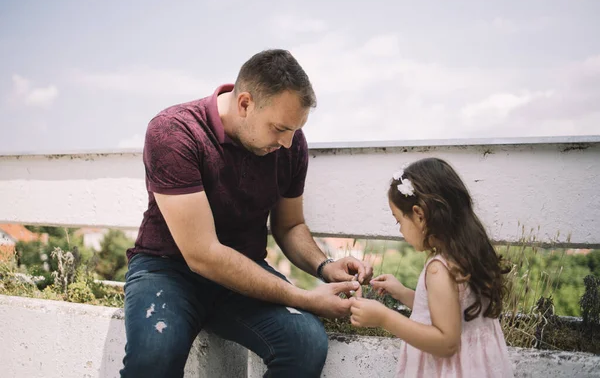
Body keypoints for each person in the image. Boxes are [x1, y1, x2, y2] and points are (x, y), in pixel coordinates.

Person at [121, 49, 373, 378]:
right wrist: (306, 298)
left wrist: (324, 266)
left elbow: (290, 224)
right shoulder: (174, 132)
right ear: (244, 104)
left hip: (245, 274)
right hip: (168, 271)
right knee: (154, 358)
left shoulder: (291, 144)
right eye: (280, 128)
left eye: (295, 130)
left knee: (306, 343)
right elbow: (203, 255)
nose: (287, 143)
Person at [349, 158, 514, 378]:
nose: (400, 230)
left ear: (419, 215)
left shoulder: (439, 269)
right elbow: (448, 309)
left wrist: (384, 318)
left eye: (399, 221)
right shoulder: (465, 255)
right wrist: (403, 293)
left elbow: (447, 342)